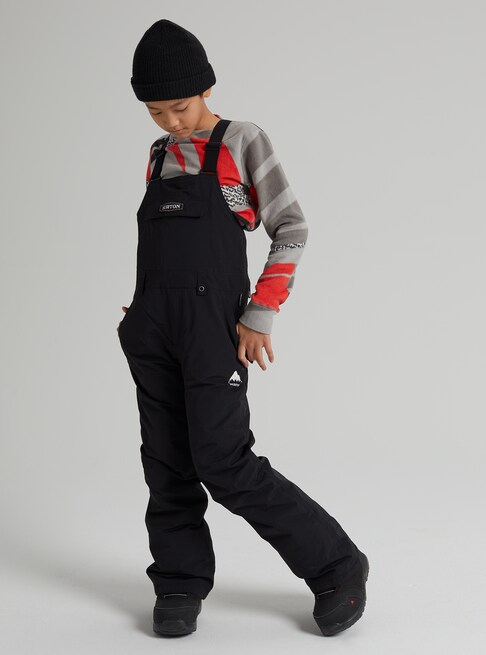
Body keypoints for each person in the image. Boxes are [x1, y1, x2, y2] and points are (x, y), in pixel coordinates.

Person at [118, 18, 369, 638]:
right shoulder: (159, 155)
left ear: (207, 88)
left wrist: (260, 314)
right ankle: (178, 581)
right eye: (155, 112)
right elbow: (164, 244)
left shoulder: (241, 140)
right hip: (153, 328)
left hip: (213, 329)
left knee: (223, 461)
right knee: (166, 462)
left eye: (180, 107)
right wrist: (141, 307)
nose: (171, 122)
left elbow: (291, 227)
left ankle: (337, 566)